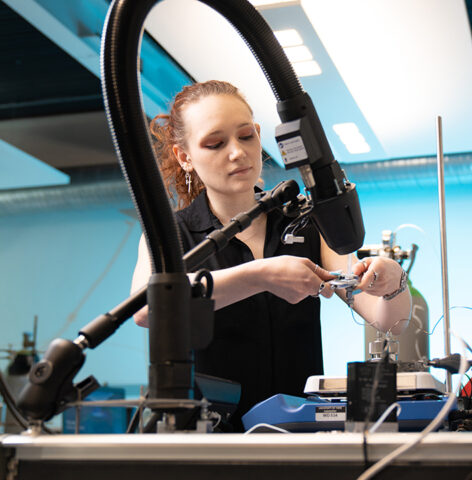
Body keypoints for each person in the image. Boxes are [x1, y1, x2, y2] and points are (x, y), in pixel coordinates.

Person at [131, 80, 411, 429]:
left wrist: (392, 280)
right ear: (184, 157)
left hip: (295, 437)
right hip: (207, 443)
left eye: (246, 136)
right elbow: (146, 308)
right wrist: (260, 275)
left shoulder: (307, 221)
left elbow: (388, 320)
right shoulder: (171, 233)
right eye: (215, 143)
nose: (237, 152)